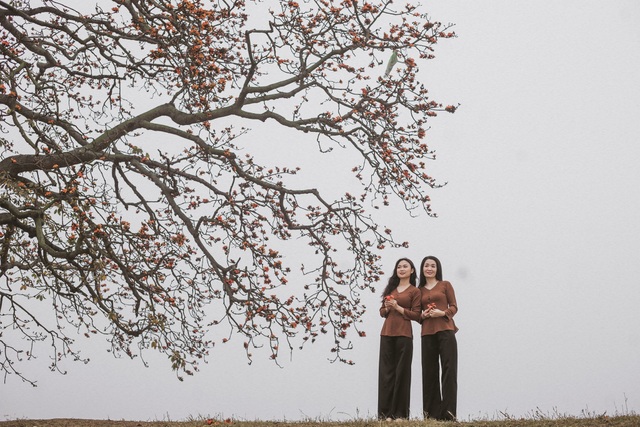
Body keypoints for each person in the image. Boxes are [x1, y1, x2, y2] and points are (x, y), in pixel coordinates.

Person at [378, 258, 422, 421]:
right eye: (399, 267)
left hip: (404, 334)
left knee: (402, 374)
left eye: (405, 266)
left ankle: (400, 415)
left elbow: (417, 315)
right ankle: (385, 414)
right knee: (386, 374)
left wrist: (398, 307)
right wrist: (387, 308)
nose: (401, 269)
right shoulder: (391, 288)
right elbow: (381, 312)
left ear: (411, 271)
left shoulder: (415, 291)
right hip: (387, 333)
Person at [418, 255, 459, 421]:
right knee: (429, 373)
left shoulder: (445, 285)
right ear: (422, 269)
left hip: (446, 331)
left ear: (437, 269)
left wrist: (443, 313)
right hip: (427, 333)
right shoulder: (418, 290)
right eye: (426, 265)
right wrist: (423, 315)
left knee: (449, 372)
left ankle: (449, 415)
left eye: (433, 266)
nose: (429, 268)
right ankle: (431, 415)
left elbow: (454, 306)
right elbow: (416, 315)